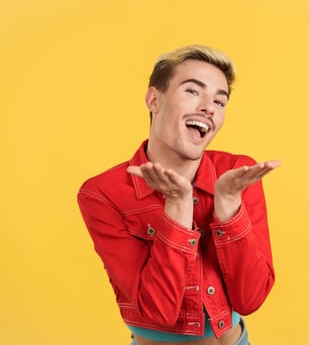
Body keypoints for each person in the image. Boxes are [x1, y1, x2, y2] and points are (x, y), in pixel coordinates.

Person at [77, 44, 280, 345]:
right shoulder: (102, 194)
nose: (209, 107)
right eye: (193, 91)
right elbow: (158, 310)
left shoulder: (237, 173)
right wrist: (177, 207)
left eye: (220, 101)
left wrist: (228, 206)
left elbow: (250, 299)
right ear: (154, 99)